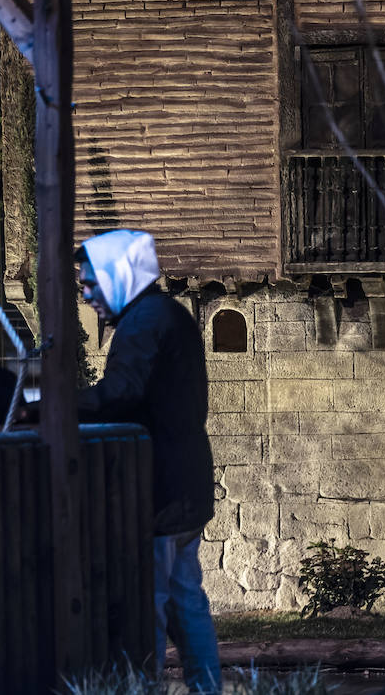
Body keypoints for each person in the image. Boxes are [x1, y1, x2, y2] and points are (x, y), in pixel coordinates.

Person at [76, 229, 219, 692]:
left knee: (147, 611)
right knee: (186, 602)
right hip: (184, 485)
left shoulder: (143, 322)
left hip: (156, 490)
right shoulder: (165, 314)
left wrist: (50, 406)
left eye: (91, 283)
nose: (86, 295)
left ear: (118, 277)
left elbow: (121, 392)